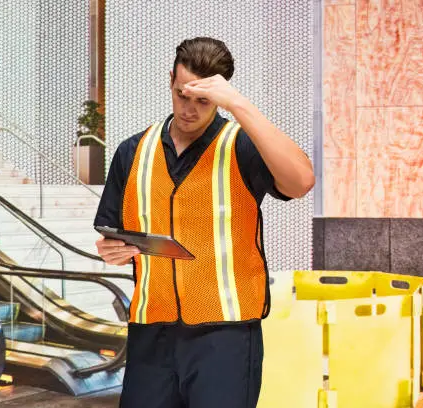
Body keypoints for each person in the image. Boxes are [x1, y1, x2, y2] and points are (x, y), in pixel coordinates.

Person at [94, 37, 314, 408]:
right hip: (152, 332)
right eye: (182, 95)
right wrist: (111, 251)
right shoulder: (133, 151)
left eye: (203, 101)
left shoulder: (240, 146)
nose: (189, 110)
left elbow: (301, 181)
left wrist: (240, 105)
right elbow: (111, 232)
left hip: (225, 337)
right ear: (171, 82)